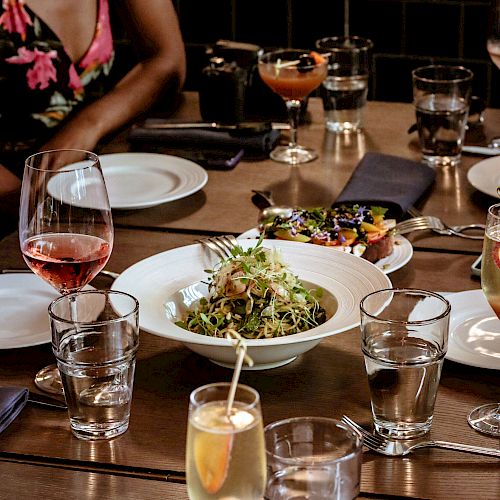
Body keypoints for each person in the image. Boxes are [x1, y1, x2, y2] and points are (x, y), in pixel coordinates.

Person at [0, 0, 186, 229]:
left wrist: (87, 126)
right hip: (14, 204)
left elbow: (167, 59)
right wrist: (23, 200)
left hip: (95, 187)